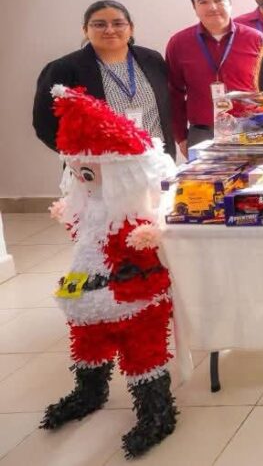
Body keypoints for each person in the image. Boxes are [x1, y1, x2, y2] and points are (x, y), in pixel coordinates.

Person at [41, 86, 178, 458]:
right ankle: (89, 391)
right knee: (88, 345)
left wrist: (151, 235)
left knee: (142, 355)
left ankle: (156, 412)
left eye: (87, 170)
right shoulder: (87, 204)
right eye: (76, 169)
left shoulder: (135, 206)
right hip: (85, 293)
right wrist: (68, 217)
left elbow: (157, 232)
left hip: (132, 297)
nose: (81, 177)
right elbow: (83, 237)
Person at [34, 0, 174, 157]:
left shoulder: (152, 60)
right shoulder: (63, 69)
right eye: (99, 25)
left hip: (156, 163)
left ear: (131, 28)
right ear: (85, 30)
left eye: (118, 23)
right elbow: (45, 125)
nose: (109, 30)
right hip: (102, 168)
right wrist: (84, 157)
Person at [165, 0, 263, 157]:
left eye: (218, 0)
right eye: (203, 2)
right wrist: (180, 136)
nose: (212, 7)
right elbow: (174, 93)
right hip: (203, 133)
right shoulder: (179, 43)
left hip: (250, 128)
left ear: (230, 3)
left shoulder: (255, 39)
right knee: (204, 185)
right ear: (194, 8)